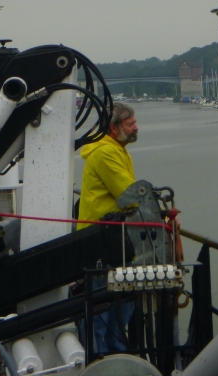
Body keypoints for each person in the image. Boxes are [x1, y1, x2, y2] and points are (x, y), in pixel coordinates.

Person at [77, 102, 139, 354]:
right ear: (114, 127)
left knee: (121, 299)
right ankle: (97, 359)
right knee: (101, 306)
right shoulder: (106, 153)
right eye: (130, 124)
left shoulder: (117, 150)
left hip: (113, 239)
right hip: (102, 241)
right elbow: (129, 195)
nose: (136, 128)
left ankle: (115, 354)